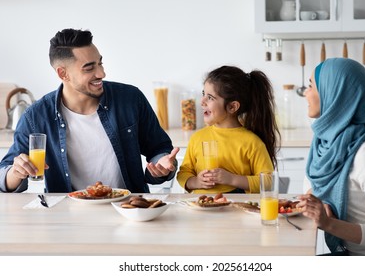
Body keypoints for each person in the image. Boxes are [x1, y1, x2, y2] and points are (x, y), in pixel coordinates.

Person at [0, 28, 179, 193]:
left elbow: (160, 149)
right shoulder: (36, 116)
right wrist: (16, 172)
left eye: (100, 63)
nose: (101, 73)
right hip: (67, 215)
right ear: (63, 74)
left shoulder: (130, 99)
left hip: (128, 208)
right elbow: (4, 177)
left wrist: (161, 166)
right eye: (89, 68)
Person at [297, 58, 365, 255]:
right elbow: (311, 185)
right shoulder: (326, 141)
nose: (305, 93)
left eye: (312, 86)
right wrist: (321, 203)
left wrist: (329, 223)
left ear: (335, 92)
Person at [177, 65, 279, 194]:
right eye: (204, 94)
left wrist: (231, 179)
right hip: (201, 209)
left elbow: (269, 182)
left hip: (237, 210)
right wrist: (196, 181)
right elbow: (183, 173)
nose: (202, 101)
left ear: (232, 107)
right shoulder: (197, 138)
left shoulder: (251, 142)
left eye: (210, 97)